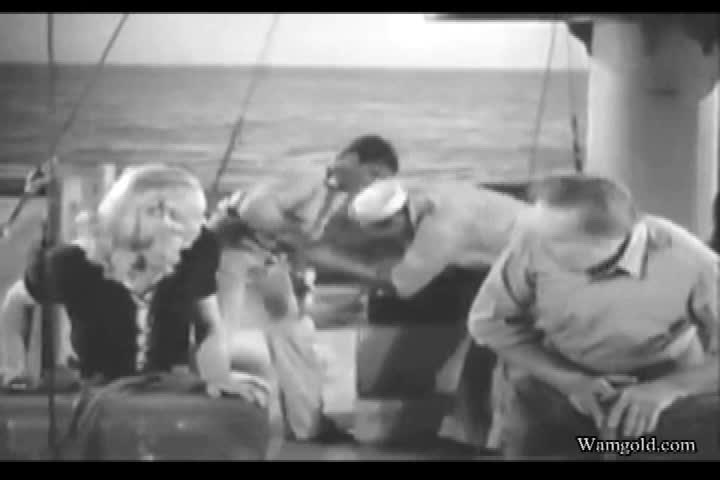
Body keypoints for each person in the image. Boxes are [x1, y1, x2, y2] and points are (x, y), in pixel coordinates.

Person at [0, 164, 272, 458]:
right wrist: (14, 367)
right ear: (141, 230)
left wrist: (218, 376)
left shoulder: (198, 251)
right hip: (101, 391)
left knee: (249, 410)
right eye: (180, 236)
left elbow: (208, 324)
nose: (188, 245)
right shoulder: (70, 264)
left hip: (173, 386)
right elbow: (15, 303)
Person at [468, 174, 718, 459]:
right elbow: (489, 323)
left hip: (659, 391)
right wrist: (567, 380)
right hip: (551, 382)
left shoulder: (694, 264)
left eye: (553, 240)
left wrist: (670, 388)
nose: (534, 244)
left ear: (604, 243)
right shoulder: (533, 241)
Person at [305, 177, 530, 448]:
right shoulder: (414, 193)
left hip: (533, 266)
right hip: (507, 258)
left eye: (385, 234)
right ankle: (476, 434)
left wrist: (330, 260)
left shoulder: (442, 230)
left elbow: (399, 284)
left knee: (489, 347)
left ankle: (490, 437)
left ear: (398, 217)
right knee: (482, 348)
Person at [206, 134, 401, 441]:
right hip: (229, 252)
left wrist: (300, 269)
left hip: (268, 259)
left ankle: (307, 425)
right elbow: (253, 210)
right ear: (350, 159)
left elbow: (306, 243)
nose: (371, 186)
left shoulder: (338, 194)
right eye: (373, 175)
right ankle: (207, 415)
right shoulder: (307, 175)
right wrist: (297, 240)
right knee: (221, 332)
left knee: (294, 330)